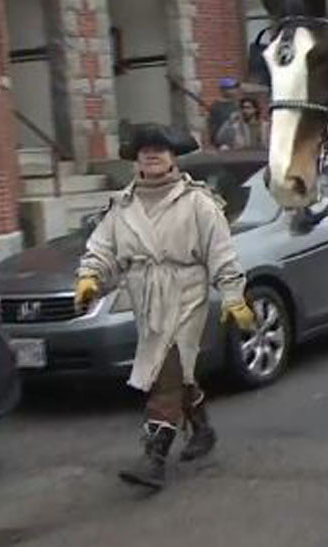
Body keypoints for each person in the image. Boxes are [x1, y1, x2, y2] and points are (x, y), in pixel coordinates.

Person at [74, 124, 256, 489]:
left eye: (159, 148)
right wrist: (90, 277)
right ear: (135, 160)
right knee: (178, 370)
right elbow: (103, 248)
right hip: (145, 299)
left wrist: (235, 297)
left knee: (164, 368)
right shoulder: (121, 206)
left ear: (174, 156)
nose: (151, 155)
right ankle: (201, 428)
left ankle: (153, 456)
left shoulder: (198, 202)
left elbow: (221, 254)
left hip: (186, 294)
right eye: (144, 150)